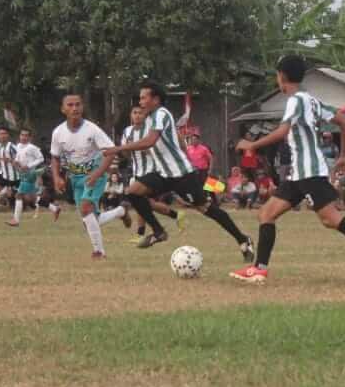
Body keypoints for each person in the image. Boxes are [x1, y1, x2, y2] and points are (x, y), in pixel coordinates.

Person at [227, 55, 345, 285]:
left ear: (281, 76)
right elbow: (344, 122)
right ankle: (259, 269)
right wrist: (344, 155)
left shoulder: (295, 101)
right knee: (266, 214)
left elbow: (283, 131)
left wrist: (252, 145)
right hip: (298, 174)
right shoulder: (312, 101)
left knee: (330, 219)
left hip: (310, 172)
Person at [108, 82, 253, 259]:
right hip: (163, 173)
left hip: (181, 174)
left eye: (144, 98)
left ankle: (243, 239)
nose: (141, 102)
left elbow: (150, 141)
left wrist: (118, 148)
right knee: (133, 192)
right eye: (140, 98)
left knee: (206, 209)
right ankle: (158, 231)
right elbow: (163, 140)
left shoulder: (161, 114)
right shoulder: (150, 118)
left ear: (156, 99)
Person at [49, 94, 129, 259]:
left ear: (82, 107)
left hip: (95, 175)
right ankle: (120, 211)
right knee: (90, 220)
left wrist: (97, 173)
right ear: (63, 109)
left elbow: (110, 152)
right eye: (70, 105)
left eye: (78, 104)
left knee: (86, 209)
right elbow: (55, 157)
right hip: (76, 178)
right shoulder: (58, 132)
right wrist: (56, 177)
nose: (75, 108)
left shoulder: (92, 129)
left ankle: (99, 252)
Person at [119, 104, 184, 238]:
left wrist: (144, 148)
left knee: (141, 201)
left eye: (140, 113)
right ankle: (176, 215)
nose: (137, 115)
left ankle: (141, 234)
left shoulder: (151, 130)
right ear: (131, 115)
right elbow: (126, 154)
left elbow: (158, 148)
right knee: (146, 203)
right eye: (135, 113)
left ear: (145, 116)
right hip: (137, 171)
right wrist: (126, 148)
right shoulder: (127, 131)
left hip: (153, 171)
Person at [8, 127, 52, 227]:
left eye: (26, 135)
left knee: (18, 195)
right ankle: (54, 208)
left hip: (30, 173)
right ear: (19, 136)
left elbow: (41, 158)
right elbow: (18, 158)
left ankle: (16, 220)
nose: (23, 137)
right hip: (23, 173)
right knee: (32, 198)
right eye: (22, 135)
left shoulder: (32, 147)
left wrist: (29, 165)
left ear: (30, 137)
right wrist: (15, 162)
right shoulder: (18, 146)